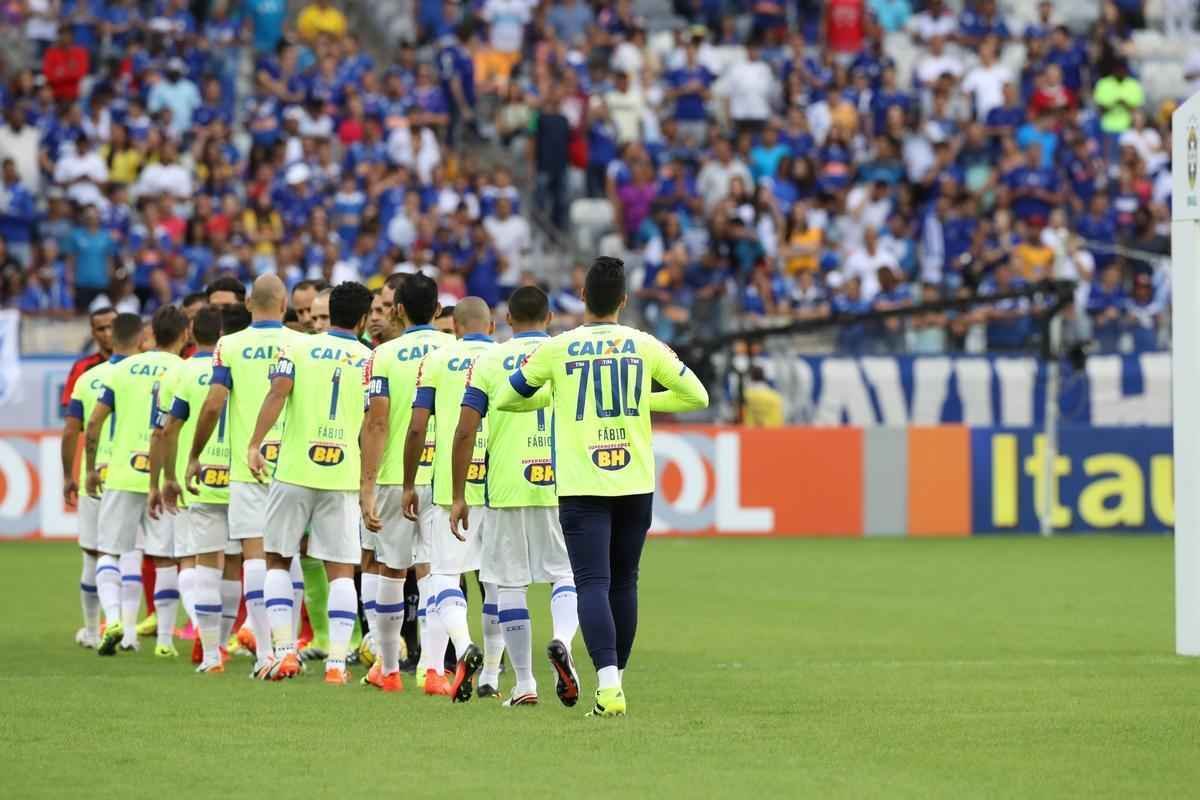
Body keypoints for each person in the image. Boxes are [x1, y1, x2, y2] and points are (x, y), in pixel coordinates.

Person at [495, 257, 709, 717]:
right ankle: (616, 684)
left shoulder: (559, 348)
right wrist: (641, 400)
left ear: (583, 298)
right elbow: (697, 395)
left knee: (592, 581)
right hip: (634, 481)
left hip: (582, 485)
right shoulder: (644, 344)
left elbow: (509, 395)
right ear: (624, 301)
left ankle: (608, 686)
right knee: (625, 581)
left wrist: (556, 395)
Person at [451, 286, 581, 707]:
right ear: (550, 317)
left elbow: (466, 429)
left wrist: (458, 494)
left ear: (507, 319)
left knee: (509, 585)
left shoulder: (489, 360)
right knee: (566, 574)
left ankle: (524, 682)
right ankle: (563, 642)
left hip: (506, 486)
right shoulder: (566, 354)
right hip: (561, 483)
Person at [248, 281, 374, 684]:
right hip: (341, 474)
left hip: (293, 471)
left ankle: (285, 652)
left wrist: (254, 442)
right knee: (341, 570)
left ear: (330, 312)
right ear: (363, 318)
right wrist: (368, 481)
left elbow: (277, 393)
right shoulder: (370, 358)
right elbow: (375, 424)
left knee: (277, 559)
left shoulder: (296, 347)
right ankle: (337, 664)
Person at [186, 274, 300, 677]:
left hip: (248, 465)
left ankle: (264, 654)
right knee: (286, 556)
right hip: (293, 464)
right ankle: (289, 648)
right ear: (284, 305)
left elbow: (214, 403)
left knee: (254, 555)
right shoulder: (299, 343)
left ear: (249, 304)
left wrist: (195, 453)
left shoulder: (229, 346)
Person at [360, 273, 453, 694]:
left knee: (392, 569)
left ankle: (389, 669)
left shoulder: (383, 355)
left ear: (397, 309)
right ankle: (433, 670)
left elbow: (377, 422)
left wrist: (367, 486)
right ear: (438, 310)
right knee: (434, 570)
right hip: (444, 475)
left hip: (397, 476)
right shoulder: (454, 350)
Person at [401, 297, 495, 702]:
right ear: (492, 326)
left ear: (454, 327)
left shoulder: (438, 360)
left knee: (443, 576)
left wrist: (408, 482)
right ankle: (493, 675)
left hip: (450, 488)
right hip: (500, 484)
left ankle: (451, 655)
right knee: (497, 582)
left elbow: (418, 426)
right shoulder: (506, 358)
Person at [86, 306, 189, 657]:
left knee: (110, 551)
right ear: (185, 334)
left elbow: (94, 423)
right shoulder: (183, 370)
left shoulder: (123, 368)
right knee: (164, 559)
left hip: (121, 473)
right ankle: (164, 642)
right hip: (162, 475)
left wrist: (90, 468)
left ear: (151, 335)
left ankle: (116, 621)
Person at [150, 306, 232, 673]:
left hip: (194, 478)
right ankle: (241, 642)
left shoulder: (179, 372)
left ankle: (207, 640)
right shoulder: (238, 367)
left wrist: (166, 478)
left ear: (192, 334)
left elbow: (165, 429)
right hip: (240, 476)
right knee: (242, 561)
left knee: (195, 559)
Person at [62, 317, 127, 648]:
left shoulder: (88, 378)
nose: (107, 333)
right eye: (101, 328)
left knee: (95, 553)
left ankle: (93, 630)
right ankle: (127, 631)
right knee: (130, 552)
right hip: (136, 473)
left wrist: (67, 475)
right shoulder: (150, 373)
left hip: (97, 472)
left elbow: (71, 428)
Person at [60, 307, 116, 413]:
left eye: (111, 327)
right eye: (101, 329)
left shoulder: (135, 364)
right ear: (93, 333)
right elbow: (70, 408)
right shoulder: (81, 367)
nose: (107, 333)